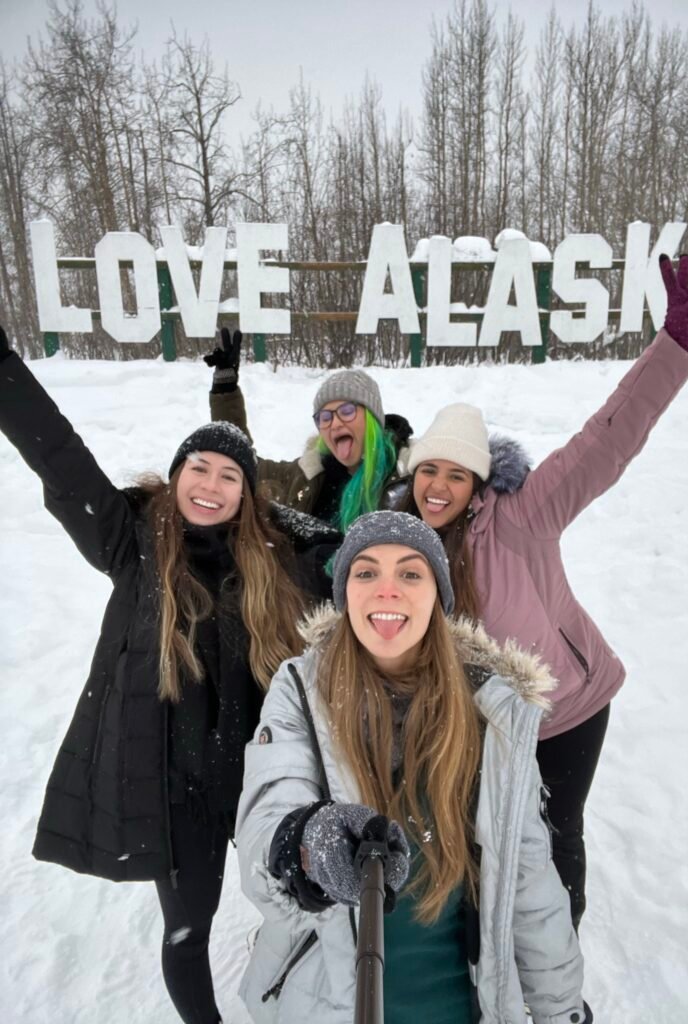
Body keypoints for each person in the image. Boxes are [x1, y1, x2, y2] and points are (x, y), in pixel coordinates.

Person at [0, 324, 316, 1024]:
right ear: (176, 478)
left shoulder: (278, 559)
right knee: (189, 927)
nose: (210, 485)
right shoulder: (133, 542)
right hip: (178, 787)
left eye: (229, 475)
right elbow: (60, 458)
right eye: (198, 469)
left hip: (263, 772)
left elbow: (371, 587)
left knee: (300, 904)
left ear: (245, 493)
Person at [397, 253, 688, 930]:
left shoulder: (524, 514)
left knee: (555, 834)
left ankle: (556, 961)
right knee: (484, 838)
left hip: (565, 713)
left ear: (479, 482)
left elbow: (605, 441)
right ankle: (491, 952)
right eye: (428, 469)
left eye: (455, 474)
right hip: (479, 727)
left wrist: (674, 345)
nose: (438, 486)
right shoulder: (405, 545)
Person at [235, 511, 593, 1024]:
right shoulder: (299, 688)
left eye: (410, 573)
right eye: (365, 572)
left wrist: (561, 1010)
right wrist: (307, 843)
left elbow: (528, 880)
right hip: (332, 999)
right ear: (344, 593)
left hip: (461, 1004)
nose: (387, 590)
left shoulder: (491, 710)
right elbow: (268, 812)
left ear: (438, 597)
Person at [205, 330, 412, 530]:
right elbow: (246, 466)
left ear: (373, 418)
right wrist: (226, 392)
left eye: (347, 411)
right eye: (325, 417)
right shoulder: (309, 474)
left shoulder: (408, 473)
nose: (336, 423)